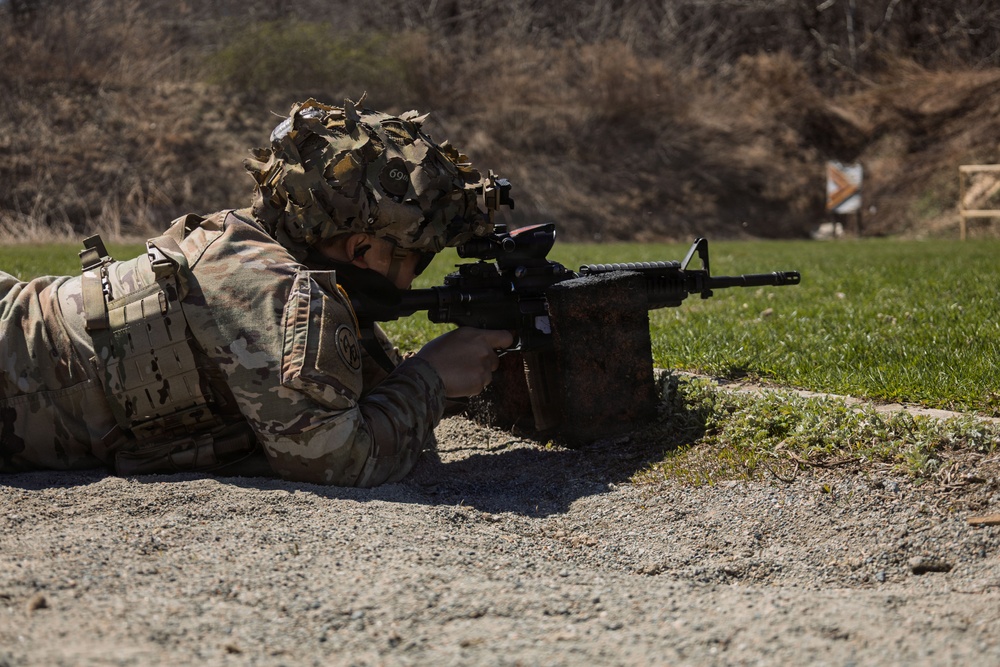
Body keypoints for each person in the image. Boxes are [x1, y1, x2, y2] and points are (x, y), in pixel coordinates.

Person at [0, 98, 514, 486]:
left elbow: (354, 391)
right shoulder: (272, 291)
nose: (413, 281)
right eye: (415, 261)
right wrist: (431, 375)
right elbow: (341, 458)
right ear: (362, 251)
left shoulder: (265, 249)